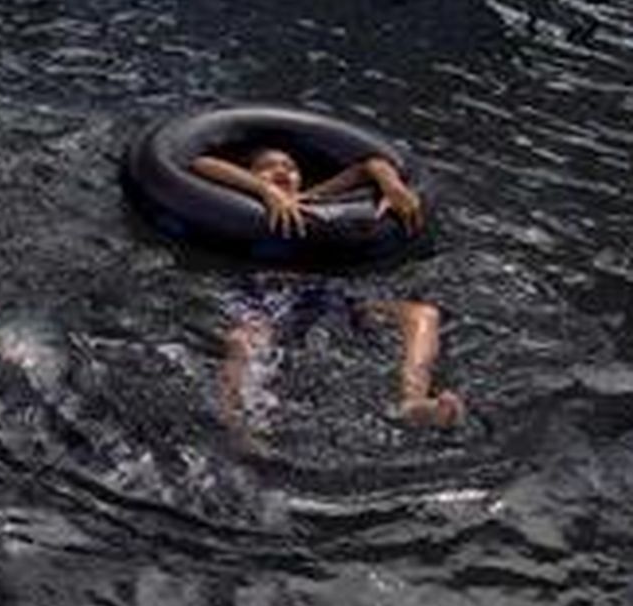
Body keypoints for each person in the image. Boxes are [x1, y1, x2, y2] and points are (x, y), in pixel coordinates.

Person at [191, 147, 464, 430]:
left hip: (327, 295)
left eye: (290, 167)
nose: (282, 171)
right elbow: (202, 163)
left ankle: (413, 401)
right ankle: (239, 424)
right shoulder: (240, 203)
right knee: (242, 340)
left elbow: (369, 165)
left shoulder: (315, 199)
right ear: (250, 174)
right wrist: (264, 190)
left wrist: (391, 185)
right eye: (268, 166)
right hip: (264, 294)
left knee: (422, 314)